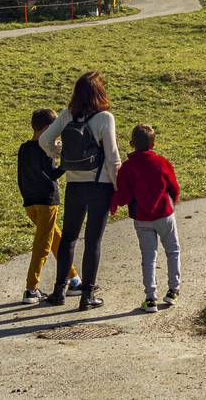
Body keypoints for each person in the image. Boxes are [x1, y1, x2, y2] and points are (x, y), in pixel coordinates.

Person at [37, 70, 121, 310]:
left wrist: (59, 153)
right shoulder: (105, 118)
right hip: (99, 185)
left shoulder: (67, 115)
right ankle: (87, 295)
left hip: (74, 184)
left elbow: (45, 141)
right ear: (99, 92)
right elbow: (113, 158)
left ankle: (58, 291)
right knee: (93, 240)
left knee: (69, 239)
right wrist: (118, 186)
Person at [112, 123, 182, 311]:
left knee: (149, 257)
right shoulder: (162, 162)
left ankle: (150, 297)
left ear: (131, 143)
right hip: (164, 213)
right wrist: (172, 202)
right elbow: (173, 187)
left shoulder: (127, 168)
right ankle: (173, 290)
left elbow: (124, 196)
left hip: (142, 218)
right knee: (172, 251)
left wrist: (114, 203)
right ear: (153, 144)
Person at [16, 108, 82, 302]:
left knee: (55, 239)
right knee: (43, 245)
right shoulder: (45, 150)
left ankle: (74, 278)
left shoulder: (24, 148)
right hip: (47, 201)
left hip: (30, 203)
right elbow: (52, 175)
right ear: (47, 129)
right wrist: (64, 161)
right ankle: (31, 288)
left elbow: (22, 176)